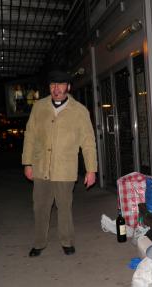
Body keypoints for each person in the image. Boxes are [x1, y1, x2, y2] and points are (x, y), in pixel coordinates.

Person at [22, 69, 97, 257]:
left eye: (60, 84)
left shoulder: (79, 111)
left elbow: (88, 142)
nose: (56, 89)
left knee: (64, 207)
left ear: (68, 87)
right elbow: (30, 135)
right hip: (41, 167)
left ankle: (67, 241)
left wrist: (91, 170)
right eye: (53, 85)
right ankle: (39, 243)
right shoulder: (39, 107)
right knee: (40, 207)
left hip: (65, 168)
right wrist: (27, 163)